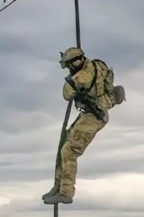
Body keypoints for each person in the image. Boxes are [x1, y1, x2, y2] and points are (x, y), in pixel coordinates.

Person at [42, 47, 125, 205]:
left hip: (93, 116)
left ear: (76, 62)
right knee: (64, 144)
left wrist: (72, 78)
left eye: (69, 65)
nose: (69, 68)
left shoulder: (81, 77)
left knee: (69, 150)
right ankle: (58, 186)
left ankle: (65, 192)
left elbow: (66, 94)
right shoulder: (97, 65)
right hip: (93, 113)